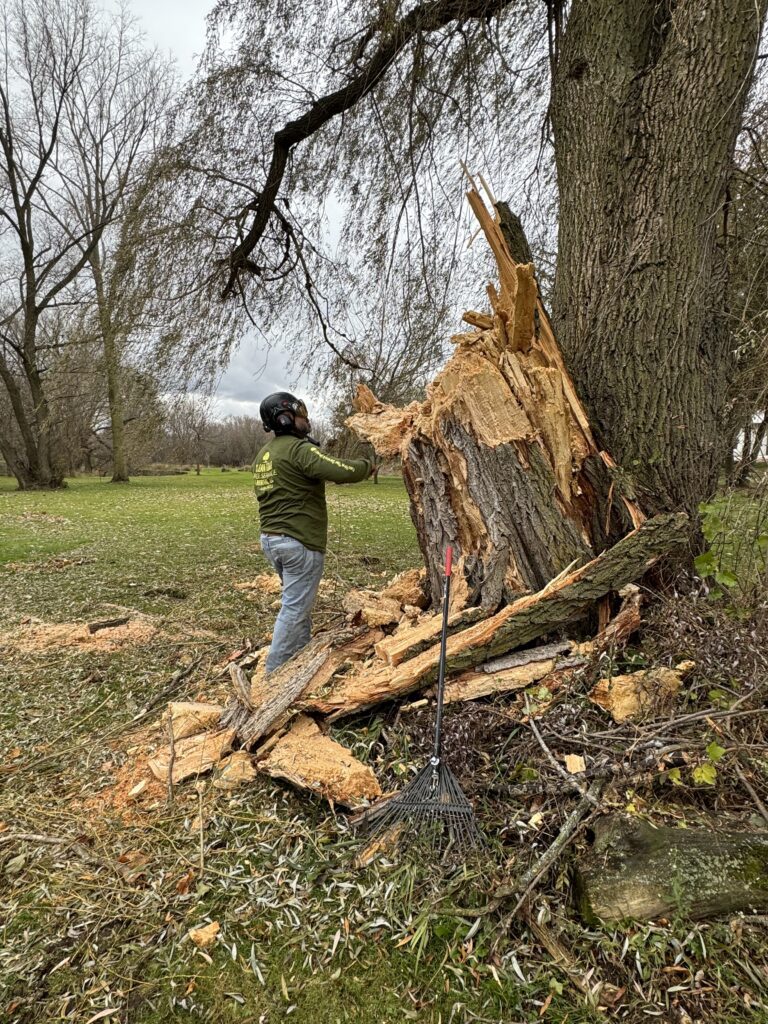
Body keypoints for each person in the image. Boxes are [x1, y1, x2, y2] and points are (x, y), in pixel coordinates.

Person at [254, 391, 371, 674]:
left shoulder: (265, 454)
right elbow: (342, 470)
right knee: (294, 609)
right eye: (300, 414)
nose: (306, 419)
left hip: (272, 539)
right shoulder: (299, 450)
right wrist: (368, 465)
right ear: (285, 419)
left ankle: (301, 658)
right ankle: (274, 675)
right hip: (299, 541)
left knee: (298, 605)